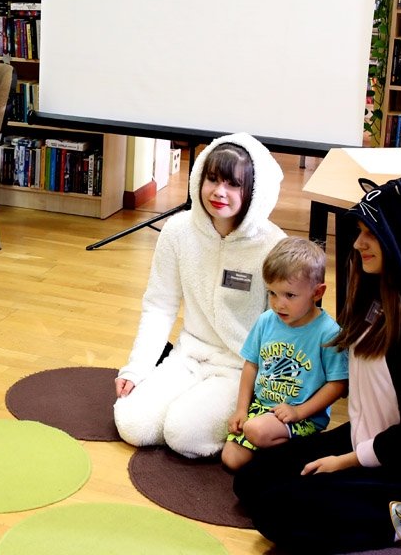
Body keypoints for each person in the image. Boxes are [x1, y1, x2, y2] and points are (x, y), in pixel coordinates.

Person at [234, 177, 401, 553]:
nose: (358, 243)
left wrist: (344, 462)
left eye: (371, 234)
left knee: (275, 513)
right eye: (360, 232)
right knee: (251, 480)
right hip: (364, 437)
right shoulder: (378, 289)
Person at [113, 133, 287, 458]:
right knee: (131, 423)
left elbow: (283, 331)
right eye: (213, 179)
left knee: (183, 434)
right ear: (198, 179)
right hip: (188, 355)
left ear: (254, 191)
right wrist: (137, 368)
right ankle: (182, 405)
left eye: (233, 184)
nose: (219, 192)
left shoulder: (273, 246)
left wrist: (264, 401)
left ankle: (193, 415)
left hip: (240, 369)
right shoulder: (177, 231)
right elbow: (159, 305)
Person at [221, 236, 348, 471]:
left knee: (255, 431)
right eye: (272, 293)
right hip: (263, 407)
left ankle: (297, 448)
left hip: (305, 416)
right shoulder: (265, 321)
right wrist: (241, 409)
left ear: (317, 293)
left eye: (289, 295)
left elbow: (338, 384)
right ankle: (279, 453)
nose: (278, 304)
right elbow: (251, 364)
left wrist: (298, 412)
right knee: (231, 459)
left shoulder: (328, 333)